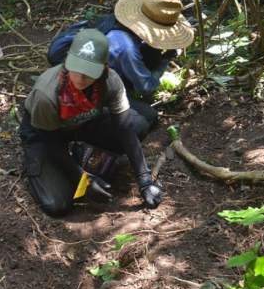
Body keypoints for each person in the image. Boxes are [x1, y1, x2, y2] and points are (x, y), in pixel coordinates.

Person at [21, 28, 164, 217]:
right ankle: (41, 163)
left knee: (140, 123)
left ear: (104, 67)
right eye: (76, 68)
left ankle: (81, 152)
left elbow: (125, 128)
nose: (80, 78)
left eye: (89, 72)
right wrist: (83, 179)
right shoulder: (46, 94)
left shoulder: (110, 81)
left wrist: (144, 178)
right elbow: (51, 141)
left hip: (82, 122)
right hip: (45, 134)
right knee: (57, 204)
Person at [48, 0, 194, 109]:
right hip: (82, 82)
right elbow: (146, 88)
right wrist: (164, 61)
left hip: (80, 61)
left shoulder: (116, 21)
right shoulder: (126, 48)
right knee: (147, 118)